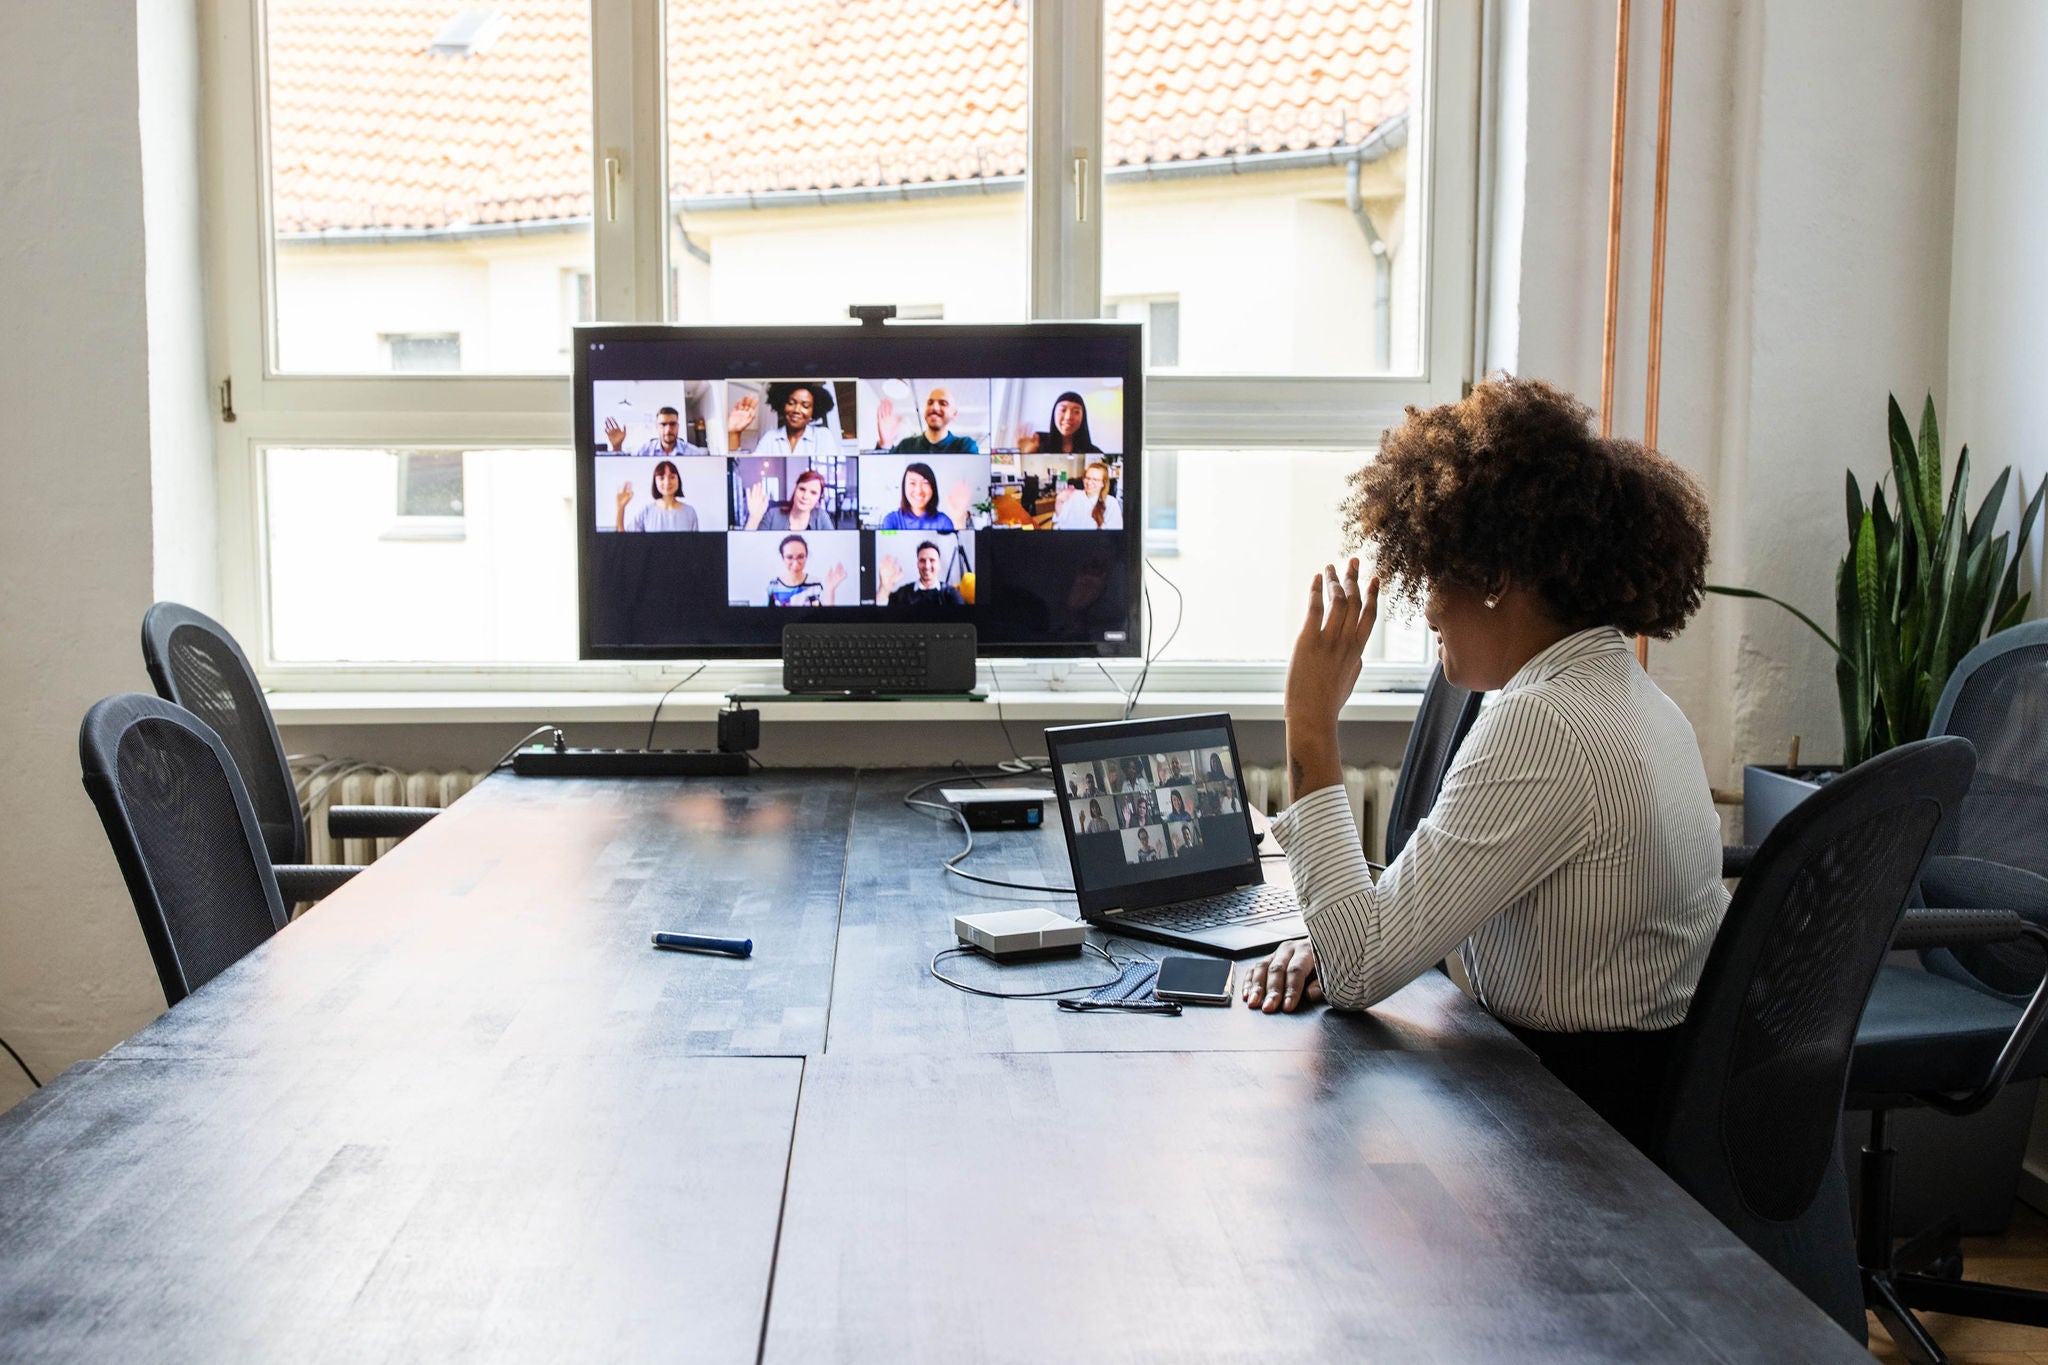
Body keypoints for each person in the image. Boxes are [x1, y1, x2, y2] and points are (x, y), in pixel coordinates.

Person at [1237, 376, 1722, 1152]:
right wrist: (1345, 932)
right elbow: (1391, 933)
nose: (1426, 607)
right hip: (1608, 1089)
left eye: (1435, 574)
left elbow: (1359, 969)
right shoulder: (1618, 688)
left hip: (1571, 1130)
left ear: (1495, 579)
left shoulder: (1545, 724)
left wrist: (1309, 727)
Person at [606, 402, 751, 458]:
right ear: (657, 427)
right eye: (663, 424)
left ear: (678, 426)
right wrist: (616, 446)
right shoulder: (643, 451)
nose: (668, 429)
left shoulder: (695, 454)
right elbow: (623, 466)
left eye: (672, 424)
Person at [746, 383, 841, 460]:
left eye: (805, 406)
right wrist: (735, 433)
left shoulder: (823, 436)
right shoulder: (770, 438)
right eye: (791, 403)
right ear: (783, 406)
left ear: (813, 412)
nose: (796, 410)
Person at [880, 461, 970, 531]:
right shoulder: (891, 521)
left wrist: (958, 519)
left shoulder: (943, 522)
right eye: (912, 483)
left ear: (933, 488)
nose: (919, 491)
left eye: (925, 483)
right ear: (904, 487)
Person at [614, 460, 699, 532]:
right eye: (661, 478)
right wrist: (621, 508)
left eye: (672, 477)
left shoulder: (690, 512)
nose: (667, 482)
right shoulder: (646, 512)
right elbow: (625, 542)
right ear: (655, 482)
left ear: (678, 480)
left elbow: (695, 547)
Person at [764, 534, 846, 607]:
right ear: (782, 558)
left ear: (806, 556)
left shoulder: (816, 584)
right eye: (789, 557)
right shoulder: (773, 586)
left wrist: (830, 590)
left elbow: (826, 618)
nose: (795, 564)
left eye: (800, 557)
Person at [890, 387, 980, 454]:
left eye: (943, 403)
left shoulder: (965, 446)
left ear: (954, 414)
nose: (934, 407)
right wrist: (884, 443)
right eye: (930, 403)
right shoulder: (906, 445)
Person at [745, 468, 836, 532]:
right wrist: (754, 518)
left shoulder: (821, 517)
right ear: (795, 489)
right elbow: (748, 547)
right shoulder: (773, 515)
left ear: (819, 498)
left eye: (813, 493)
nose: (805, 496)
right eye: (802, 489)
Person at [881, 540, 964, 607]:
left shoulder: (951, 594)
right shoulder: (902, 593)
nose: (927, 566)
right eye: (922, 561)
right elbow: (881, 616)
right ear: (917, 564)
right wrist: (884, 587)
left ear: (939, 564)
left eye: (932, 560)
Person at [1023, 391, 1101, 456]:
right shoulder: (1038, 444)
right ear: (1054, 413)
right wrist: (1026, 454)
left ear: (1083, 417)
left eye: (1076, 412)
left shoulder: (1094, 453)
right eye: (1063, 410)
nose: (1068, 417)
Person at [1052, 461, 1123, 530]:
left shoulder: (1111, 503)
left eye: (1095, 479)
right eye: (1087, 478)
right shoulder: (1072, 495)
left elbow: (1114, 534)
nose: (1089, 482)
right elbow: (1058, 524)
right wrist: (1059, 503)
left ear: (1103, 483)